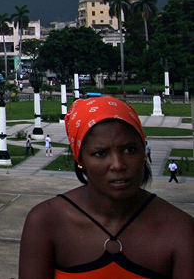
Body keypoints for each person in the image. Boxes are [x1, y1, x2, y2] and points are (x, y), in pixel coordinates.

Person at [18, 96, 194, 278]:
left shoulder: (180, 231)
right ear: (80, 159)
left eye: (129, 150)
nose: (118, 165)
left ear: (144, 151)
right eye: (100, 153)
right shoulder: (46, 222)